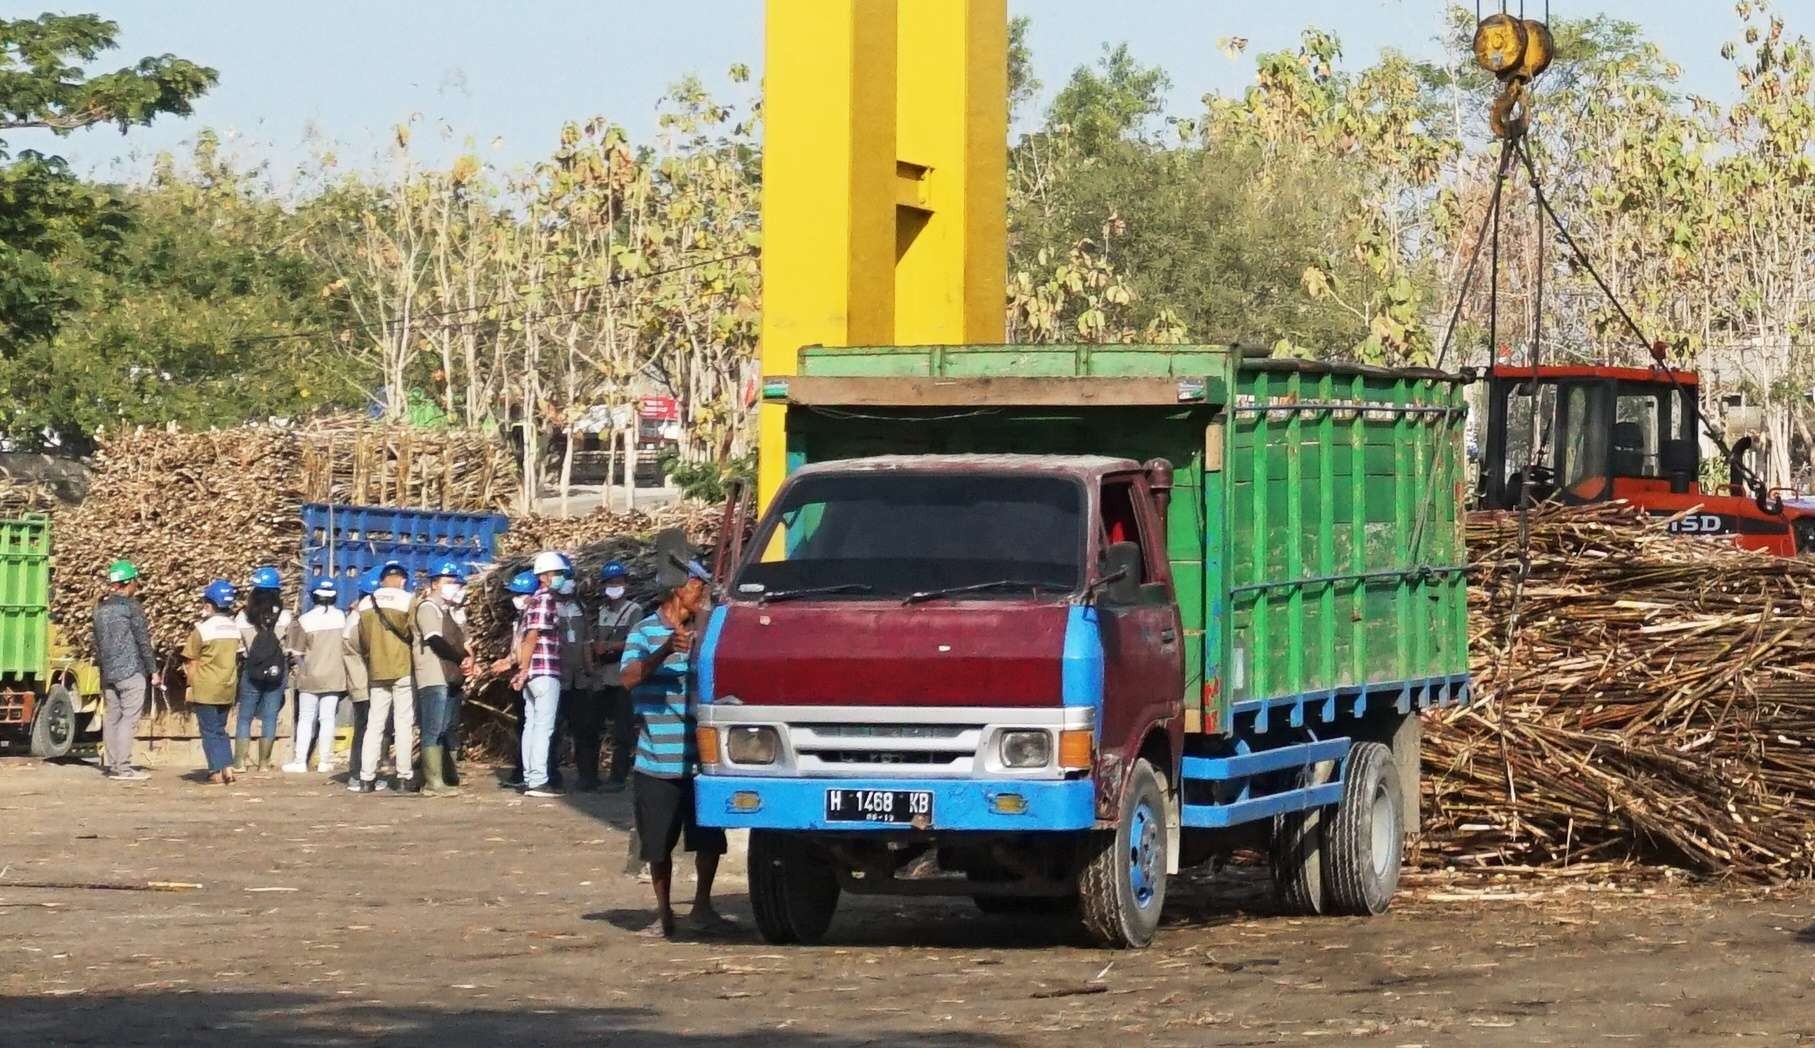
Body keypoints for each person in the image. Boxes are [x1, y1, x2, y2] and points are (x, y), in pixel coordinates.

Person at [621, 560, 729, 938]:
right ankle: (664, 912)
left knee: (709, 840)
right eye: (697, 586)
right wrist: (665, 650)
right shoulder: (644, 631)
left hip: (702, 762)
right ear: (677, 589)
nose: (703, 592)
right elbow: (629, 677)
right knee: (658, 845)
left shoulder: (710, 632)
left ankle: (702, 906)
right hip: (657, 761)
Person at [350, 560, 416, 793]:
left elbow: (362, 639)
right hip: (402, 668)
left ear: (381, 580)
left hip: (376, 669)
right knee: (403, 723)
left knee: (374, 725)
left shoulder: (367, 603)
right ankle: (403, 776)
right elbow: (414, 633)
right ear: (403, 579)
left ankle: (366, 777)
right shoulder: (408, 600)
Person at [92, 559, 159, 782]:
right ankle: (124, 768)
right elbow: (142, 641)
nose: (136, 587)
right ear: (128, 583)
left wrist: (104, 671)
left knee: (112, 718)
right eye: (135, 583)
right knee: (128, 720)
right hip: (131, 671)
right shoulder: (132, 608)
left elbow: (97, 644)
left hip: (109, 672)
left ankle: (112, 765)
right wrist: (153, 670)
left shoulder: (100, 609)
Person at [510, 551, 567, 797]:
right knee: (543, 727)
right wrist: (524, 669)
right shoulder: (546, 600)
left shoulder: (533, 601)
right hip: (544, 669)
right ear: (544, 577)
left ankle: (530, 776)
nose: (561, 578)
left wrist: (524, 670)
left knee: (532, 725)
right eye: (558, 574)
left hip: (534, 671)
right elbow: (532, 635)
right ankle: (538, 779)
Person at [412, 561, 471, 797]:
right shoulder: (427, 608)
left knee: (443, 727)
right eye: (448, 582)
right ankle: (432, 782)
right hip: (432, 674)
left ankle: (442, 777)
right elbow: (434, 639)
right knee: (432, 728)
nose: (453, 587)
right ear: (435, 584)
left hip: (446, 675)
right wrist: (459, 658)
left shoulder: (446, 611)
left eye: (454, 582)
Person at [284, 577, 348, 774]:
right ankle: (324, 761)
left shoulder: (304, 620)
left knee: (306, 718)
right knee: (328, 719)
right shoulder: (343, 618)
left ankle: (300, 761)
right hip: (335, 676)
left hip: (310, 676)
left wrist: (305, 668)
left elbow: (296, 652)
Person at [233, 565, 293, 773]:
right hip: (277, 669)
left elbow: (239, 647)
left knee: (245, 716)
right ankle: (264, 763)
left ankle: (239, 762)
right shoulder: (285, 616)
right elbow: (291, 645)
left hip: (252, 669)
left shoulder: (242, 617)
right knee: (270, 716)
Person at [182, 580, 242, 785]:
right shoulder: (234, 629)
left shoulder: (203, 630)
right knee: (221, 729)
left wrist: (190, 686)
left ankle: (215, 771)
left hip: (206, 686)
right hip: (228, 686)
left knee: (209, 730)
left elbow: (192, 660)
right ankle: (229, 770)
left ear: (210, 604)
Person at [591, 561, 643, 792]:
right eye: (610, 583)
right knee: (593, 726)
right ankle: (591, 775)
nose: (614, 586)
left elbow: (634, 641)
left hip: (622, 678)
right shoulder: (602, 612)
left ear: (626, 584)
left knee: (622, 730)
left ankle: (618, 777)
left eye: (618, 582)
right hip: (603, 677)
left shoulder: (634, 611)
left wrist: (610, 645)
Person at [553, 557, 598, 791]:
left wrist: (591, 672)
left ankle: (587, 775)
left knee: (584, 730)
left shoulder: (580, 607)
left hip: (579, 679)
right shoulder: (548, 606)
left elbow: (586, 642)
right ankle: (551, 774)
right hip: (557, 678)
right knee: (554, 728)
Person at [493, 569, 541, 789]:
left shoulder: (538, 618)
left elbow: (530, 646)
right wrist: (508, 661)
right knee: (524, 724)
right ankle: (523, 769)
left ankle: (536, 772)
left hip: (535, 673)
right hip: (520, 673)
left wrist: (519, 666)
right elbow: (517, 647)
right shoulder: (520, 619)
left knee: (539, 726)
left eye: (522, 594)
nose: (518, 599)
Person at [341, 567, 380, 793]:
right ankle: (359, 773)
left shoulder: (356, 617)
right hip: (364, 683)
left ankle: (364, 772)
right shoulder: (361, 620)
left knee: (365, 727)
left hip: (361, 682)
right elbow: (369, 650)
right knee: (366, 727)